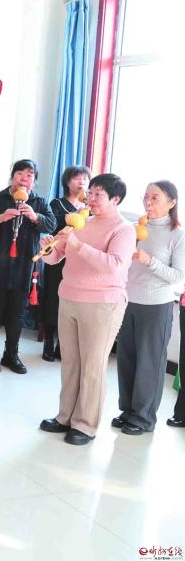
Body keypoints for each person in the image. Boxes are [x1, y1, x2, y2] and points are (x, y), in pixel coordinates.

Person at [39, 173, 134, 446]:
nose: (90, 198)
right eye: (89, 193)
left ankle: (85, 425)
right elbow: (56, 258)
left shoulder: (123, 229)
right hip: (69, 297)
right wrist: (49, 249)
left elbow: (114, 265)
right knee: (70, 363)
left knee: (92, 365)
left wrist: (78, 246)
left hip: (103, 303)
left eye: (97, 195)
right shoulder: (81, 221)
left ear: (115, 199)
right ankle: (65, 417)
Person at [115, 181, 184, 434]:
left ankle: (143, 418)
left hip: (156, 306)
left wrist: (149, 261)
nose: (148, 202)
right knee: (126, 359)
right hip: (128, 301)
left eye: (155, 197)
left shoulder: (177, 234)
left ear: (172, 203)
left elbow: (178, 276)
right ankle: (127, 411)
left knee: (149, 363)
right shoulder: (134, 228)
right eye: (146, 197)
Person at [0, 159, 57, 373]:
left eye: (30, 175)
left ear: (34, 181)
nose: (24, 178)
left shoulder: (39, 201)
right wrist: (0, 217)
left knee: (17, 313)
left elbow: (51, 224)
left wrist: (34, 216)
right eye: (20, 174)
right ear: (12, 177)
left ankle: (11, 354)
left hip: (25, 265)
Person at [42, 166, 90, 361]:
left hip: (78, 258)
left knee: (71, 302)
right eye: (77, 179)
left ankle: (63, 345)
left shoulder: (91, 209)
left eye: (85, 179)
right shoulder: (58, 203)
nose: (82, 183)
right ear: (67, 182)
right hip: (57, 255)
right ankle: (48, 341)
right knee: (53, 298)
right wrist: (76, 214)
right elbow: (53, 224)